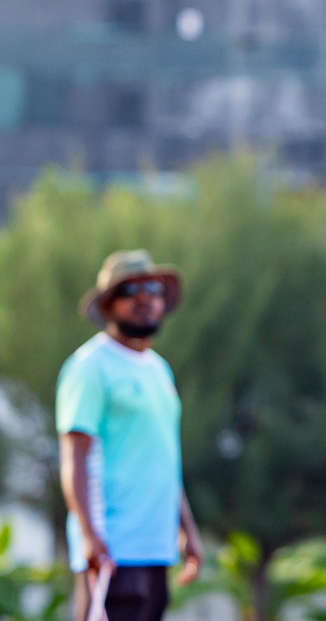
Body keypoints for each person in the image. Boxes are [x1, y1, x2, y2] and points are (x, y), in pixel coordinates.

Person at [57, 250, 203, 621]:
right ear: (108, 304)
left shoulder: (159, 371)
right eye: (130, 290)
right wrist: (89, 535)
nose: (145, 298)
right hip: (112, 547)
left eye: (152, 289)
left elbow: (163, 459)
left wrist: (186, 529)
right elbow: (73, 457)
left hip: (156, 546)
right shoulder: (90, 367)